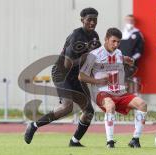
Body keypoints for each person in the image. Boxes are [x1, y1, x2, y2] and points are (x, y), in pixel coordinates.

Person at [24, 7, 101, 147]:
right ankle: (33, 126)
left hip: (77, 76)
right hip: (62, 72)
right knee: (66, 107)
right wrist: (87, 56)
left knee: (89, 111)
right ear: (82, 20)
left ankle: (74, 141)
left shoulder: (94, 36)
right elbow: (67, 64)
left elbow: (98, 56)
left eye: (95, 20)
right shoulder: (77, 36)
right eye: (89, 19)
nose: (92, 22)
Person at [79, 28, 147, 148]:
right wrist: (97, 81)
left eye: (118, 42)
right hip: (102, 92)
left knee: (142, 104)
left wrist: (127, 60)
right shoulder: (94, 55)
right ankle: (110, 142)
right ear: (106, 39)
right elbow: (81, 76)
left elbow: (119, 58)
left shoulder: (119, 53)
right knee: (110, 106)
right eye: (113, 41)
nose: (116, 45)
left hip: (120, 92)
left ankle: (135, 140)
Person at [119, 15, 144, 79]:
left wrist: (132, 59)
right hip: (120, 61)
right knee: (120, 79)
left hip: (131, 61)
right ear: (125, 21)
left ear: (134, 22)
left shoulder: (137, 33)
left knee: (130, 78)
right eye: (128, 20)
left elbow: (140, 50)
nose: (129, 22)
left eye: (131, 20)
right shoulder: (121, 33)